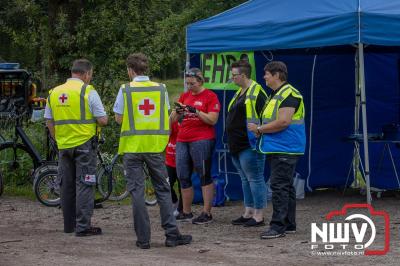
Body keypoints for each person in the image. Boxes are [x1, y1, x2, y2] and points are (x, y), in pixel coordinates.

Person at [113, 53, 192, 249]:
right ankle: (172, 235)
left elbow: (118, 119)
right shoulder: (160, 89)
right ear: (146, 69)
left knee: (137, 193)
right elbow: (166, 117)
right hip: (155, 148)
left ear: (130, 70)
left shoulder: (125, 89)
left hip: (132, 148)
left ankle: (143, 239)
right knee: (164, 191)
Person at [45, 59, 108, 236]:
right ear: (87, 74)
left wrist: (58, 139)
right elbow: (102, 120)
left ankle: (69, 226)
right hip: (85, 145)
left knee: (66, 185)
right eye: (91, 75)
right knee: (85, 184)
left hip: (64, 145)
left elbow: (49, 121)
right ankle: (83, 227)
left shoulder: (54, 92)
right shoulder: (88, 91)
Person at [248, 61, 306, 239]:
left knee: (279, 186)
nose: (264, 77)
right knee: (286, 187)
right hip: (279, 147)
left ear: (277, 74)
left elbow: (283, 122)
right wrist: (261, 130)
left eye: (266, 74)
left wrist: (259, 129)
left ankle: (277, 227)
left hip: (286, 148)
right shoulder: (276, 94)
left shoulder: (289, 94)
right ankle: (288, 224)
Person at [170, 67, 220, 224]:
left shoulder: (210, 96)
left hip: (202, 139)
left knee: (203, 174)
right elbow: (172, 120)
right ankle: (186, 212)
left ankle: (207, 213)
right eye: (187, 83)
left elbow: (213, 120)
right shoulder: (185, 95)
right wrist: (177, 112)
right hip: (182, 139)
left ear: (200, 81)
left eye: (192, 84)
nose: (189, 87)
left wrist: (196, 111)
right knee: (183, 175)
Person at [226, 60, 269, 227]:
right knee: (245, 179)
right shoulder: (240, 92)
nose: (232, 79)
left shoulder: (257, 93)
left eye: (234, 76)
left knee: (255, 179)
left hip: (250, 144)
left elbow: (267, 117)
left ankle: (259, 215)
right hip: (237, 144)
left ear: (243, 75)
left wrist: (259, 130)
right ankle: (249, 211)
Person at [165, 120, 183, 216]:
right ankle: (174, 201)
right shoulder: (172, 121)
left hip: (182, 160)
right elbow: (166, 133)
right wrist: (171, 118)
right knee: (166, 184)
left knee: (183, 186)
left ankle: (181, 209)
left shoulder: (187, 122)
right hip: (170, 159)